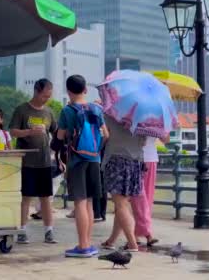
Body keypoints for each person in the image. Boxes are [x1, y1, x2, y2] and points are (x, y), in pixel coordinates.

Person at [57, 75, 108, 258]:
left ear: (68, 91)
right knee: (89, 203)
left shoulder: (67, 111)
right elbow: (106, 134)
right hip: (94, 159)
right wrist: (94, 149)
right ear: (85, 89)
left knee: (79, 201)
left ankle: (83, 246)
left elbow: (60, 136)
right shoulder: (96, 109)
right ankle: (88, 243)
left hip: (76, 161)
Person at [9, 79, 58, 244]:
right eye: (45, 96)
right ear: (36, 91)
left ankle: (49, 230)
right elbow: (13, 131)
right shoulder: (22, 110)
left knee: (45, 197)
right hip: (26, 161)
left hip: (44, 161)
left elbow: (56, 132)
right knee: (26, 197)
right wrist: (29, 132)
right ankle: (22, 229)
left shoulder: (49, 112)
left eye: (49, 96)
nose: (47, 99)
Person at [100, 115, 146, 252]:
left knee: (120, 205)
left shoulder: (111, 115)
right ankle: (111, 241)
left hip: (116, 161)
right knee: (123, 205)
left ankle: (132, 243)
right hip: (135, 163)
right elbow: (143, 142)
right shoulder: (142, 117)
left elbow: (104, 136)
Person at [131, 136, 161, 246]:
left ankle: (137, 233)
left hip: (145, 158)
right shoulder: (158, 121)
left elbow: (166, 139)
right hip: (141, 158)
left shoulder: (133, 120)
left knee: (144, 199)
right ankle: (145, 233)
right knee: (141, 198)